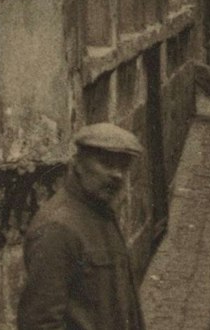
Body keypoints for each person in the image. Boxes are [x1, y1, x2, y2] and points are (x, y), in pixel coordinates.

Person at [17, 122, 145, 330]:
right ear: (77, 163)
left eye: (123, 166)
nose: (117, 175)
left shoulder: (100, 211)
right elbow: (39, 323)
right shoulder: (57, 229)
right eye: (106, 163)